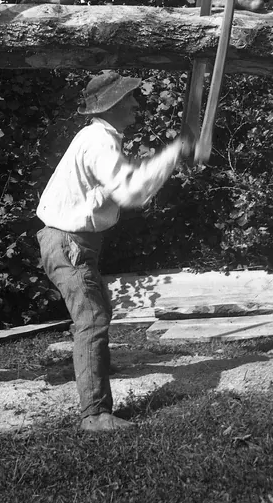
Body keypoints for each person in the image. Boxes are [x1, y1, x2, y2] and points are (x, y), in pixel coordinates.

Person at [36, 71, 194, 433]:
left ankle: (95, 378)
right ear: (113, 105)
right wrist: (175, 152)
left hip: (70, 241)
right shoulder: (99, 141)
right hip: (69, 242)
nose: (136, 104)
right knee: (91, 320)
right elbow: (131, 192)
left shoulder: (98, 137)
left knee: (96, 315)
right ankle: (94, 415)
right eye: (129, 99)